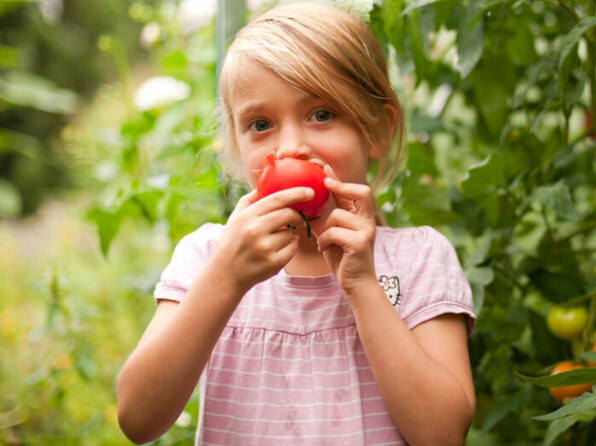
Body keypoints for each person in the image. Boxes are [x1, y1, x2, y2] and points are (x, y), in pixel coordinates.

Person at [115, 3, 476, 445]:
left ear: (378, 130)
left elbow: (443, 436)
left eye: (321, 114)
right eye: (261, 124)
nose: (292, 148)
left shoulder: (420, 258)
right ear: (235, 148)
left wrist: (364, 287)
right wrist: (225, 280)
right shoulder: (209, 257)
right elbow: (137, 418)